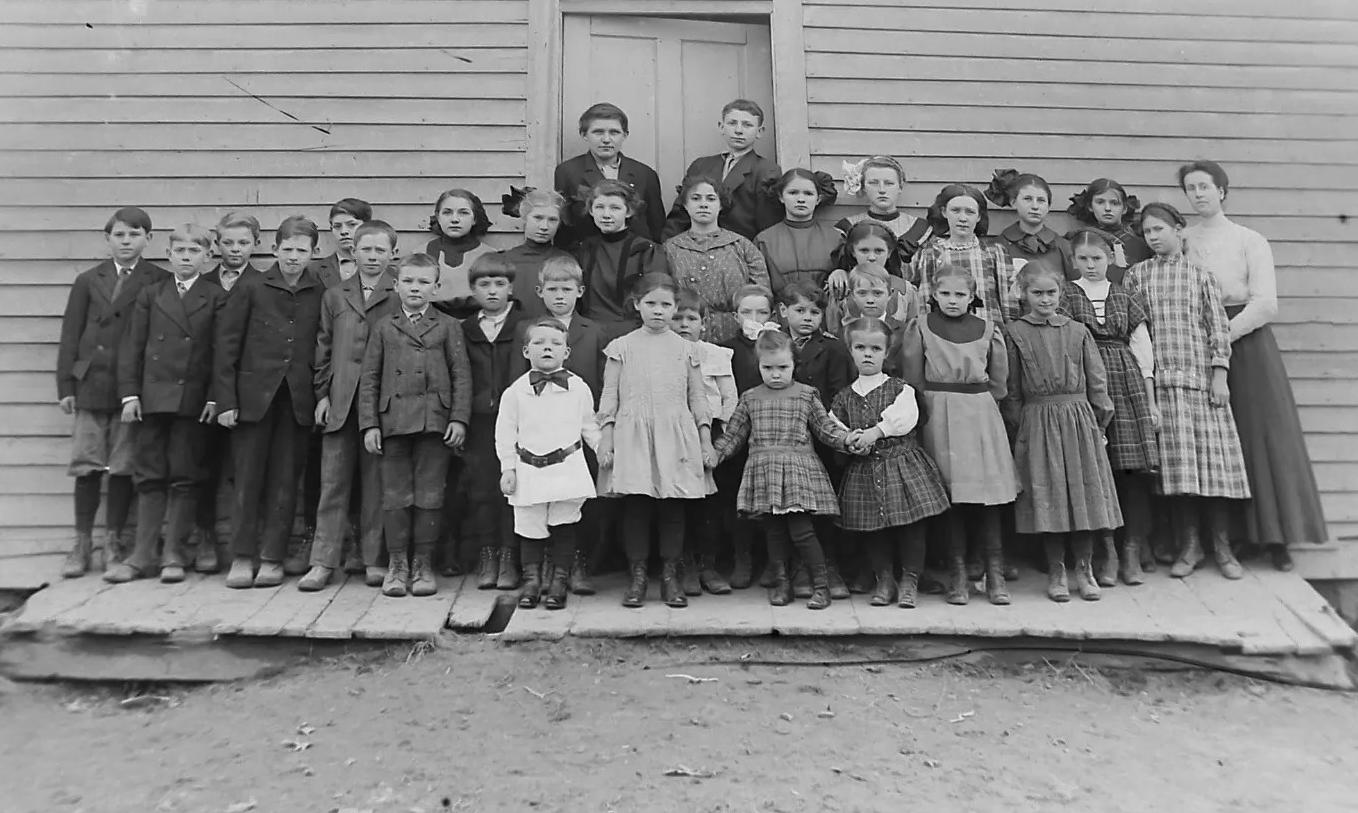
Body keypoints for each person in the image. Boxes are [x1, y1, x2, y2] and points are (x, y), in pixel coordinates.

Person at [1180, 160, 1327, 571]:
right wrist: (1202, 343)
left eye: (1205, 186)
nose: (1198, 194)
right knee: (1219, 443)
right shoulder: (1184, 239)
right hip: (1197, 345)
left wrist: (1221, 337)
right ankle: (1232, 538)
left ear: (1222, 191)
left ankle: (1277, 539)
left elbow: (1265, 304)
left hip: (1247, 344)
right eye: (1191, 188)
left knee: (1262, 436)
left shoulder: (1249, 239)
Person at [1125, 203, 1250, 580]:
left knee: (1214, 469)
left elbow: (1218, 329)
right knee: (1180, 475)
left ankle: (1222, 547)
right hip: (1163, 386)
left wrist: (1219, 375)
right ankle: (1190, 546)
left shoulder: (1201, 277)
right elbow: (1136, 334)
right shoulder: (1137, 276)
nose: (1153, 237)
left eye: (1160, 229)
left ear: (1179, 229)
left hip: (1201, 384)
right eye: (1147, 232)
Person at [105, 224, 226, 584]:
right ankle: (143, 555)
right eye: (180, 251)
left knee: (185, 476)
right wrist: (130, 395)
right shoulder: (151, 293)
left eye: (194, 251)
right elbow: (133, 346)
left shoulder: (216, 297)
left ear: (207, 256)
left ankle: (174, 552)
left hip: (193, 400)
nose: (186, 257)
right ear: (169, 254)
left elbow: (222, 353)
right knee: (149, 475)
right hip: (152, 400)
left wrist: (215, 396)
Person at [214, 215, 325, 588]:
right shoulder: (251, 287)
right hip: (252, 400)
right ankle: (242, 556)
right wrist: (226, 401)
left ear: (314, 252)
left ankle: (272, 558)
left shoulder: (320, 291)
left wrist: (320, 397)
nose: (294, 257)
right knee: (247, 479)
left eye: (302, 250)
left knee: (285, 480)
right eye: (287, 249)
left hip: (297, 401)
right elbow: (226, 346)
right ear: (275, 249)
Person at [57, 207, 168, 577]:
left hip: (130, 389)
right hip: (91, 384)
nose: (126, 242)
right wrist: (66, 385)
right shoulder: (88, 280)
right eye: (119, 235)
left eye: (134, 235)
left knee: (122, 465)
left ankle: (115, 541)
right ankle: (82, 543)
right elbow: (71, 334)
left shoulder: (158, 279)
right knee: (87, 465)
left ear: (148, 239)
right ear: (108, 239)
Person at [1004, 263, 1123, 602]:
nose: (1045, 299)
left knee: (1083, 496)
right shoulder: (1015, 333)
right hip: (1037, 421)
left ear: (1061, 294)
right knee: (1050, 497)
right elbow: (1012, 390)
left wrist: (1099, 424)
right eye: (1037, 293)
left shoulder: (1078, 331)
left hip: (1079, 421)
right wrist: (1021, 428)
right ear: (1024, 294)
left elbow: (1097, 382)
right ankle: (1056, 570)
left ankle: (1084, 569)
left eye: (1051, 293)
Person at [901, 263, 1019, 605]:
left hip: (979, 414)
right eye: (945, 293)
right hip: (938, 415)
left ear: (972, 296)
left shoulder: (988, 329)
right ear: (934, 295)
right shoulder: (920, 327)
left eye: (960, 294)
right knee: (951, 496)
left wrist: (978, 403)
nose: (952, 300)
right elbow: (913, 378)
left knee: (988, 495)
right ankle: (958, 574)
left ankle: (994, 574)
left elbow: (999, 382)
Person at [597, 273, 714, 608]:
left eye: (666, 304)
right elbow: (609, 394)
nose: (658, 311)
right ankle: (637, 577)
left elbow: (698, 397)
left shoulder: (687, 349)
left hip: (675, 434)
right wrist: (606, 437)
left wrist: (705, 439)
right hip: (633, 434)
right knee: (637, 506)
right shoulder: (621, 347)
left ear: (675, 307)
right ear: (637, 305)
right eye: (651, 303)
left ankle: (669, 576)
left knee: (672, 506)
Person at [713, 329, 852, 609]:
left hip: (797, 470)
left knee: (802, 530)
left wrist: (847, 440)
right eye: (768, 368)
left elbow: (825, 429)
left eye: (783, 367)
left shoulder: (805, 395)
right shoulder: (751, 398)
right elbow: (735, 434)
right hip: (765, 471)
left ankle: (821, 586)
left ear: (794, 364)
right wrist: (715, 454)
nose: (775, 374)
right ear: (758, 366)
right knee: (774, 532)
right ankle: (782, 583)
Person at [360, 253, 471, 597]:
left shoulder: (448, 326)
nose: (415, 288)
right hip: (393, 422)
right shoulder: (384, 326)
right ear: (396, 285)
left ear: (436, 287)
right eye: (408, 281)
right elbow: (370, 378)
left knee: (429, 495)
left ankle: (423, 564)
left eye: (424, 282)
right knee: (395, 496)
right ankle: (397, 564)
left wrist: (458, 418)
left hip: (433, 422)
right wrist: (370, 424)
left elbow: (461, 375)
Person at [301, 220, 402, 592]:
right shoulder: (335, 295)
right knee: (333, 484)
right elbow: (323, 348)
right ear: (353, 252)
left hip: (382, 404)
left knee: (376, 485)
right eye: (366, 249)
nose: (372, 257)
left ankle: (374, 559)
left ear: (392, 254)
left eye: (380, 250)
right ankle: (322, 561)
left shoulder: (399, 292)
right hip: (341, 401)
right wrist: (323, 395)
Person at [1061, 229, 1160, 585]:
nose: (1090, 265)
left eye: (1097, 258)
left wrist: (1150, 401)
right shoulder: (1066, 295)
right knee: (1096, 470)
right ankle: (1106, 551)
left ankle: (1132, 547)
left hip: (1126, 382)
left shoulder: (1125, 295)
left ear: (1109, 260)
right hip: (1084, 382)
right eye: (1083, 259)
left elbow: (1143, 350)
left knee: (1131, 472)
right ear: (1074, 261)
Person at [831, 318, 950, 608]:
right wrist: (849, 441)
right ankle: (884, 579)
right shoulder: (844, 397)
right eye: (860, 348)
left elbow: (904, 418)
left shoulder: (900, 389)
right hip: (864, 469)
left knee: (911, 527)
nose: (867, 354)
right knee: (874, 528)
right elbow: (834, 426)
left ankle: (910, 579)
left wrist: (875, 432)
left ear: (886, 353)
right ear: (850, 350)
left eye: (875, 349)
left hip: (901, 465)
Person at [508, 254, 608, 594]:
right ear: (540, 291)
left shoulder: (594, 331)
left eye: (566, 289)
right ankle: (538, 571)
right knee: (534, 508)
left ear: (579, 291)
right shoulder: (526, 330)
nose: (560, 296)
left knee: (574, 504)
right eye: (552, 289)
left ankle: (573, 566)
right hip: (537, 428)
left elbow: (601, 381)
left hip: (578, 428)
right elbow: (517, 379)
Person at [497, 318, 602, 610]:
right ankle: (531, 582)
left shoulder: (578, 388)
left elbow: (589, 426)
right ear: (526, 351)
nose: (547, 348)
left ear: (566, 352)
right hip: (529, 469)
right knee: (529, 527)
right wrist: (508, 468)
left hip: (566, 468)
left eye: (555, 344)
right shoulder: (515, 392)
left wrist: (604, 451)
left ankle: (558, 582)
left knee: (564, 526)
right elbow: (505, 434)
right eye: (539, 343)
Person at [194, 211, 262, 573]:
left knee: (245, 472)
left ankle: (245, 547)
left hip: (244, 395)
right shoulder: (201, 283)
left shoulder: (263, 284)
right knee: (202, 467)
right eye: (228, 243)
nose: (235, 249)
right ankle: (204, 537)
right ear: (216, 244)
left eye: (243, 243)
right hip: (200, 393)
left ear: (256, 245)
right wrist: (211, 395)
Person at [460, 253, 532, 590]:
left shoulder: (525, 326)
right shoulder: (465, 329)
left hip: (518, 422)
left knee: (513, 487)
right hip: (479, 421)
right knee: (482, 488)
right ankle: (487, 554)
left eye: (499, 284)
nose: (492, 291)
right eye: (484, 284)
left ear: (511, 288)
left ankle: (509, 556)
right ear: (473, 290)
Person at [672, 289, 737, 594]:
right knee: (680, 501)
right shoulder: (663, 353)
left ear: (703, 323)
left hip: (710, 434)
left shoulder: (715, 354)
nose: (684, 324)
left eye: (691, 318)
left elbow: (729, 397)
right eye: (677, 318)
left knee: (710, 503)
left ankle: (708, 565)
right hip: (674, 432)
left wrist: (722, 434)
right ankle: (684, 564)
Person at [664, 175, 771, 343]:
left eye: (711, 198)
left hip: (736, 333)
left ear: (721, 204)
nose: (703, 204)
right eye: (696, 198)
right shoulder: (670, 249)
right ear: (685, 204)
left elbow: (761, 293)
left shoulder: (742, 246)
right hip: (686, 332)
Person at [718, 285, 777, 588]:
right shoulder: (725, 350)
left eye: (762, 312)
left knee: (772, 498)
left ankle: (773, 561)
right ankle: (743, 557)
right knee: (737, 498)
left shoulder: (779, 345)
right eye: (747, 312)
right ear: (735, 316)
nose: (754, 318)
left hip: (773, 433)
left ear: (772, 314)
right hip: (739, 433)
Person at [663, 99, 783, 241]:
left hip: (740, 247)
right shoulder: (701, 165)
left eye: (747, 125)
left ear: (759, 131)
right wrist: (668, 245)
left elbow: (768, 225)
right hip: (696, 245)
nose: (738, 130)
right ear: (721, 127)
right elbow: (680, 215)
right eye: (732, 123)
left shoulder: (766, 170)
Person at [554, 102, 666, 246]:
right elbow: (564, 227)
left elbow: (656, 226)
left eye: (614, 132)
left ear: (625, 135)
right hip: (586, 253)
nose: (606, 139)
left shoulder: (644, 174)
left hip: (634, 254)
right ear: (584, 135)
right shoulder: (568, 172)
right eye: (598, 132)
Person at [571, 179, 668, 335]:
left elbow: (656, 297)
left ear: (629, 211)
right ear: (591, 211)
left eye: (615, 208)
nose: (606, 215)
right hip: (588, 332)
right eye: (599, 207)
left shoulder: (646, 251)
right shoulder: (583, 250)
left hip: (632, 332)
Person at [912, 184, 1018, 325]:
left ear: (979, 216)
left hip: (987, 329)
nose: (963, 218)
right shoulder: (931, 253)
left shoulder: (994, 252)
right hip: (944, 332)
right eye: (955, 211)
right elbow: (924, 300)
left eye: (970, 212)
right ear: (944, 212)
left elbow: (1008, 300)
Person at [833, 155, 933, 275]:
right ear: (863, 187)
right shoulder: (847, 227)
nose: (881, 190)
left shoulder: (920, 228)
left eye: (889, 183)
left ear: (900, 187)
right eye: (873, 183)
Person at [754, 168, 840, 295]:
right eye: (793, 193)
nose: (801, 199)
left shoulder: (836, 238)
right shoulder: (764, 240)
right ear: (781, 197)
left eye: (808, 194)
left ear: (818, 199)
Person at [985, 171, 1074, 283]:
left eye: (1041, 200)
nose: (1035, 206)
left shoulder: (1064, 247)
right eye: (1027, 199)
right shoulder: (996, 247)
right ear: (1013, 202)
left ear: (1048, 206)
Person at [827, 220, 918, 330]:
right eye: (864, 250)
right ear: (853, 252)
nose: (871, 257)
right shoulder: (841, 286)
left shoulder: (905, 289)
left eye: (879, 251)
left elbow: (914, 330)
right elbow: (833, 332)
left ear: (889, 252)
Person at [499, 187, 573, 320]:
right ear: (525, 218)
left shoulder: (566, 261)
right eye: (538, 218)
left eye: (552, 220)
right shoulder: (505, 261)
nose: (544, 226)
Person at [425, 188, 497, 318]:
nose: (455, 219)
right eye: (447, 212)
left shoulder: (491, 257)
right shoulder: (421, 254)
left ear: (475, 218)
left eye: (463, 213)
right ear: (438, 217)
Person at [1065, 178, 1150, 284]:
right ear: (1090, 206)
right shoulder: (1079, 240)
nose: (1107, 208)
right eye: (1100, 202)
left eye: (1114, 203)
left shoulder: (1139, 244)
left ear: (1124, 208)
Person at [313, 198, 372, 289]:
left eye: (352, 225)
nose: (344, 231)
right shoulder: (314, 271)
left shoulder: (386, 270)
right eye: (337, 226)